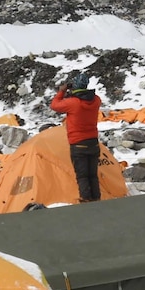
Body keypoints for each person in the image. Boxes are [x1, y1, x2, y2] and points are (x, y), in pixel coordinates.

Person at [51, 73, 103, 203]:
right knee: (92, 174)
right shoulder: (96, 100)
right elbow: (87, 97)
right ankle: (96, 198)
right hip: (93, 141)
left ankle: (86, 200)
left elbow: (55, 105)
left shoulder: (73, 103)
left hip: (78, 143)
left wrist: (62, 91)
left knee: (82, 175)